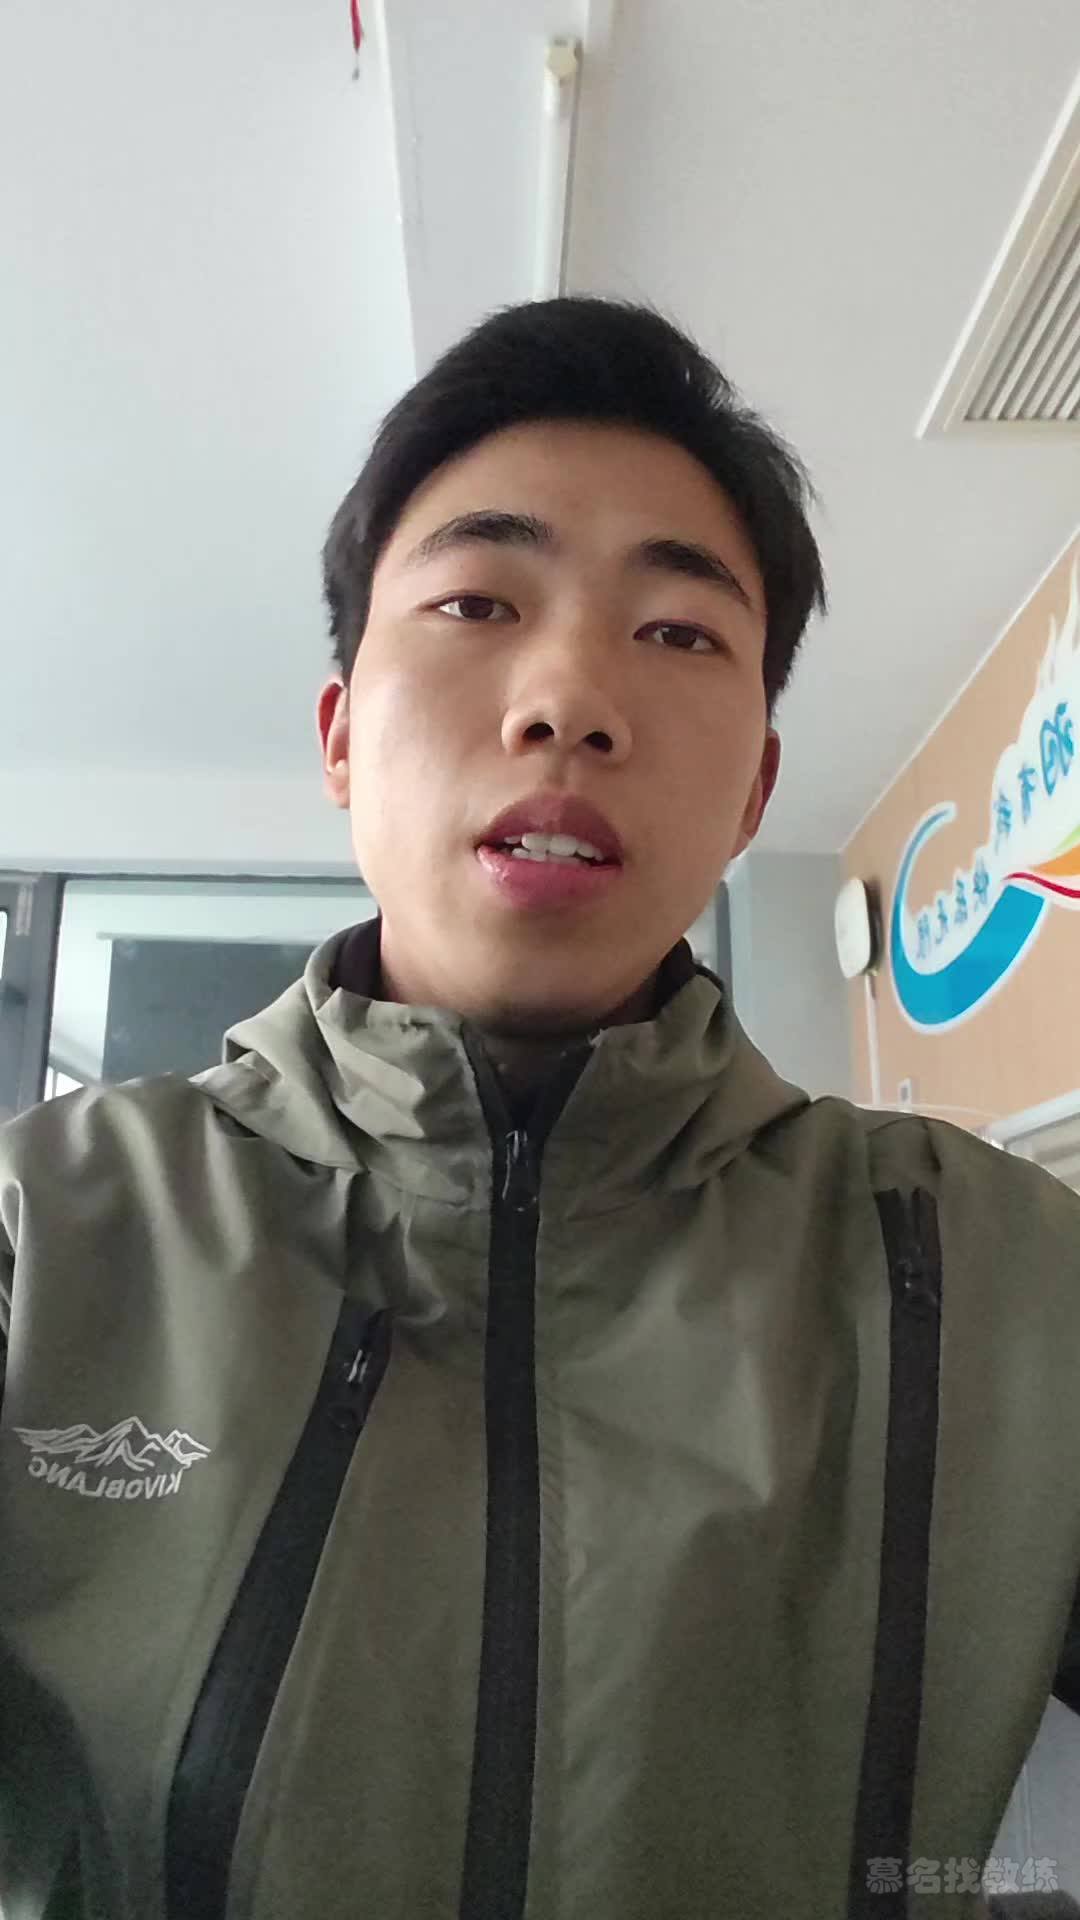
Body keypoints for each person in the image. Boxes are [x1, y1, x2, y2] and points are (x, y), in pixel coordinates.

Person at [1, 297, 1078, 1920]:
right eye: (477, 602)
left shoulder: (991, 1268)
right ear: (342, 736)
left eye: (679, 633)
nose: (568, 700)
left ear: (756, 792)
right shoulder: (51, 1231)